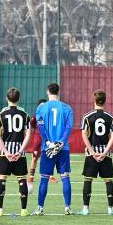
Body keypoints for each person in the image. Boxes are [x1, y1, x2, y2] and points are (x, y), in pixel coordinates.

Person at [32, 83, 75, 216]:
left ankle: (40, 208)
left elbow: (41, 127)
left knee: (44, 179)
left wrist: (49, 142)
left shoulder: (41, 108)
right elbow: (69, 127)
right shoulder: (67, 108)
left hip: (47, 149)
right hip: (63, 149)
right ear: (59, 91)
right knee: (65, 178)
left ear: (47, 91)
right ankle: (67, 208)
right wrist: (61, 143)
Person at [0, 88, 31, 217]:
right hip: (20, 152)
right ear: (18, 99)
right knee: (22, 179)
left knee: (1, 179)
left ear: (7, 99)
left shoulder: (1, 115)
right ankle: (24, 210)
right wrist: (19, 151)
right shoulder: (25, 115)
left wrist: (6, 151)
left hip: (5, 153)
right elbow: (28, 135)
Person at [79, 90, 113, 216]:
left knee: (88, 180)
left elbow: (84, 135)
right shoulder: (110, 118)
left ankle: (85, 209)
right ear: (105, 101)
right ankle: (110, 209)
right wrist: (105, 151)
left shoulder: (87, 117)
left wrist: (92, 151)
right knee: (108, 180)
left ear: (94, 100)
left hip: (92, 154)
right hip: (106, 154)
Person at [28, 99, 53, 192]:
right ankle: (31, 177)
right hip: (37, 140)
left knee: (49, 157)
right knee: (34, 158)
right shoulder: (35, 116)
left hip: (47, 140)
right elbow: (31, 126)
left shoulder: (49, 116)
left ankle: (50, 176)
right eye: (41, 105)